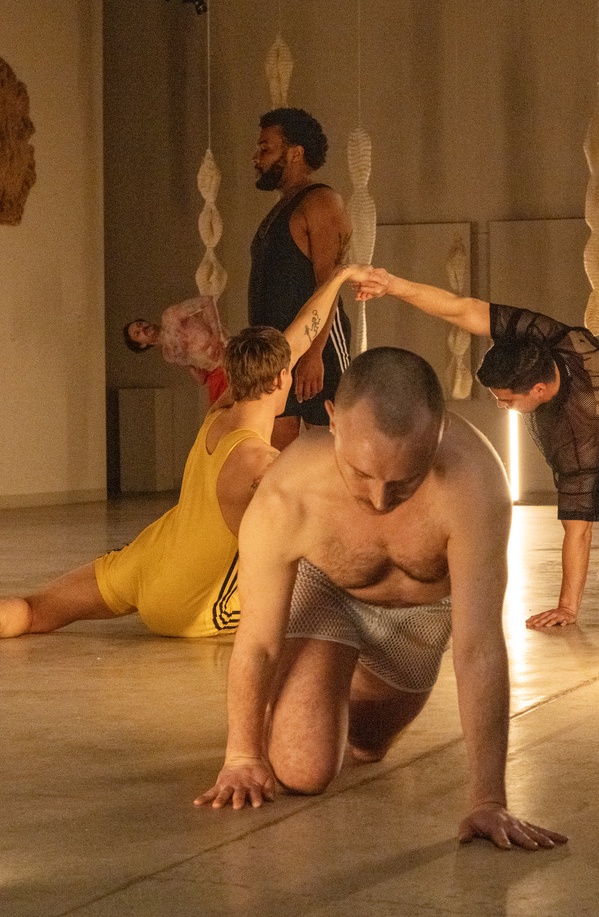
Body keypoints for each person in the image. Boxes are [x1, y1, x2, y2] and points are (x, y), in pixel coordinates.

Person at [195, 347, 568, 851]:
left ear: (439, 433)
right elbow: (258, 640)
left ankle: (335, 692)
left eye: (404, 481)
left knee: (369, 748)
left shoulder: (475, 482)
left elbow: (478, 646)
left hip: (421, 618)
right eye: (361, 474)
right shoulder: (288, 493)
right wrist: (241, 756)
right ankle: (317, 676)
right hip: (328, 595)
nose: (378, 500)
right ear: (331, 421)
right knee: (302, 769)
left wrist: (488, 800)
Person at [0, 266, 366, 640]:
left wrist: (339, 277)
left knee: (33, 611)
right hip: (187, 605)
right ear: (279, 379)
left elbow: (300, 334)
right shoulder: (261, 464)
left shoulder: (220, 413)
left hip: (146, 561)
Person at [352, 268, 599, 630]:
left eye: (506, 400)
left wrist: (567, 606)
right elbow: (463, 308)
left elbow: (577, 531)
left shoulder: (581, 437)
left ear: (539, 391)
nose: (500, 406)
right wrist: (393, 285)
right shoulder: (548, 337)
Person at [248, 107, 352, 451]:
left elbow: (331, 282)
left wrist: (314, 353)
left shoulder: (321, 201)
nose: (257, 157)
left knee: (328, 447)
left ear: (295, 153)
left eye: (266, 148)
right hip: (277, 349)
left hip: (313, 345)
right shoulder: (282, 206)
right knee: (276, 453)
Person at [124, 294, 229, 404]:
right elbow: (197, 365)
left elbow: (206, 301)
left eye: (140, 324)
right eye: (138, 333)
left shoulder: (170, 317)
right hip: (218, 378)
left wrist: (217, 334)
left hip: (232, 357)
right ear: (142, 345)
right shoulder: (169, 354)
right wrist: (199, 377)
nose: (142, 328)